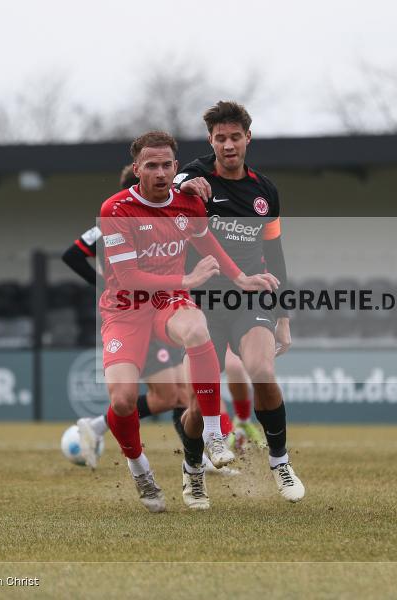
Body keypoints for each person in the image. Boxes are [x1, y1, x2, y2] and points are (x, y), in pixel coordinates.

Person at [97, 131, 277, 512]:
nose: (159, 172)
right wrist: (188, 281)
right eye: (151, 165)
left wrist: (239, 278)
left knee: (197, 328)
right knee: (124, 400)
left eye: (166, 165)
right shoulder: (116, 209)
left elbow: (205, 240)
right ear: (137, 169)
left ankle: (213, 433)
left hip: (167, 301)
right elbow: (128, 280)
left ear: (175, 168)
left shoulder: (188, 203)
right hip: (125, 309)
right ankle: (138, 466)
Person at [62, 165, 237, 474]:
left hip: (160, 309)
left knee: (175, 393)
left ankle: (103, 428)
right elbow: (73, 255)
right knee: (170, 394)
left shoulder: (161, 221)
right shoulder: (116, 219)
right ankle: (192, 457)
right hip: (130, 313)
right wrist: (103, 284)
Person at [175, 101, 303, 502]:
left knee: (262, 370)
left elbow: (276, 255)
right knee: (200, 404)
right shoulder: (196, 175)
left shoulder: (265, 191)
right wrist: (183, 185)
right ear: (210, 141)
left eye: (234, 137)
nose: (227, 145)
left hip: (251, 297)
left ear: (248, 137)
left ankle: (280, 462)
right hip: (200, 302)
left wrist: (283, 316)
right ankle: (192, 467)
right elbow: (173, 182)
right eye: (219, 138)